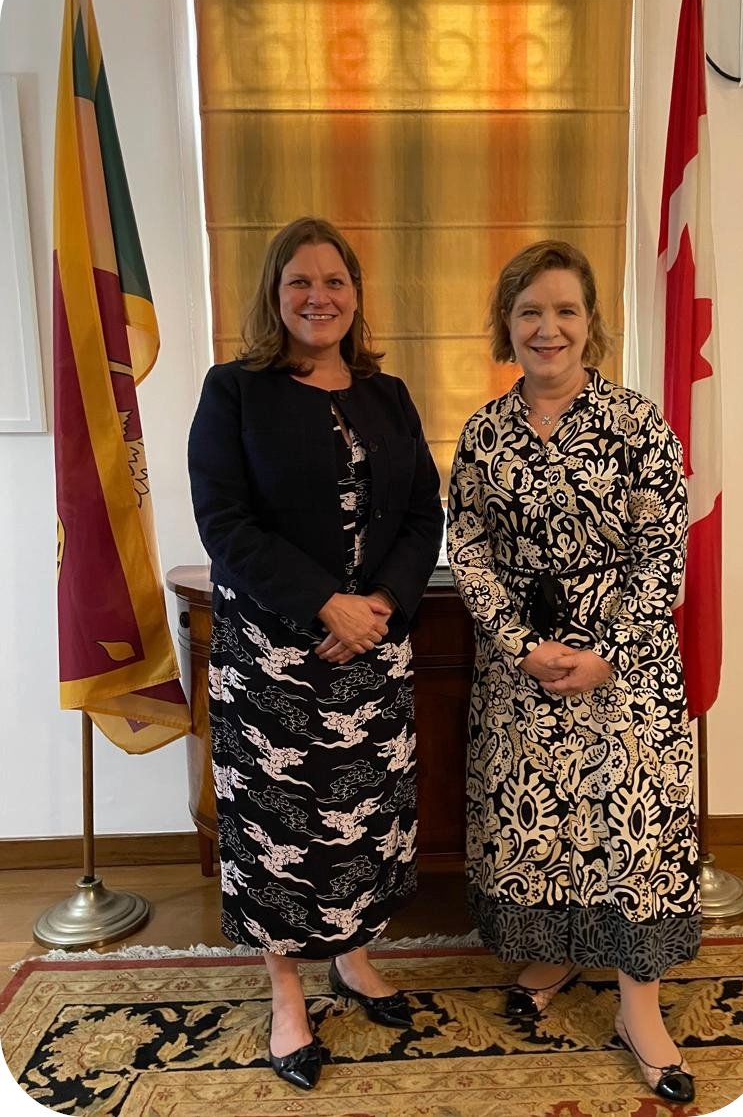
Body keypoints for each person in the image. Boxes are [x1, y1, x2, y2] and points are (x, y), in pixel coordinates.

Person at [188, 216, 443, 1091]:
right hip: (274, 655)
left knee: (367, 819)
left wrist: (378, 604)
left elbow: (421, 515)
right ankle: (287, 992)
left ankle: (355, 956)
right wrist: (322, 602)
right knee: (282, 829)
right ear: (274, 292)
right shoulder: (235, 390)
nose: (318, 296)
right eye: (300, 281)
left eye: (334, 281)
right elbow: (223, 524)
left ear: (356, 295)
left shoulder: (390, 394)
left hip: (373, 649)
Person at [446, 240, 699, 1104]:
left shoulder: (638, 423)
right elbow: (469, 547)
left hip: (623, 667)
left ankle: (639, 1005)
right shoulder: (483, 432)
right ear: (505, 326)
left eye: (565, 310)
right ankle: (554, 946)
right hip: (522, 666)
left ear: (592, 323)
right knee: (540, 826)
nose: (547, 328)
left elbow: (664, 552)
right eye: (528, 311)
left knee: (629, 832)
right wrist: (519, 643)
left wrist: (608, 655)